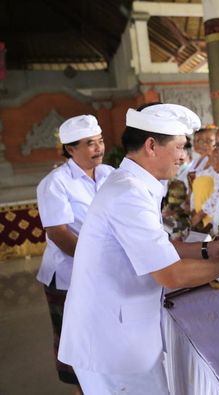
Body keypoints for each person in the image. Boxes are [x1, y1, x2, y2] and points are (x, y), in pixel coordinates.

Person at [57, 103, 219, 394]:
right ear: (151, 145)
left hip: (119, 331)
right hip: (112, 343)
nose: (184, 156)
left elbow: (155, 247)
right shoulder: (129, 192)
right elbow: (171, 275)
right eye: (180, 147)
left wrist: (207, 251)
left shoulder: (133, 184)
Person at [36, 114, 113, 394]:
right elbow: (59, 233)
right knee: (77, 348)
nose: (99, 148)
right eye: (90, 143)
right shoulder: (55, 183)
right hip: (68, 277)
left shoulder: (110, 175)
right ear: (70, 148)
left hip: (105, 274)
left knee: (103, 342)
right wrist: (97, 262)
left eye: (101, 141)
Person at [187, 125, 219, 236]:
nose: (205, 145)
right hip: (198, 213)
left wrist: (200, 214)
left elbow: (217, 192)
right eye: (203, 141)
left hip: (211, 215)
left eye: (210, 141)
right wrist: (192, 209)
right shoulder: (200, 161)